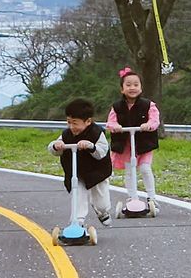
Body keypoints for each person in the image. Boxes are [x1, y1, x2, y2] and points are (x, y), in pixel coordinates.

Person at [49, 99, 113, 228]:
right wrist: (56, 146)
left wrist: (91, 147)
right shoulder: (66, 134)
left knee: (102, 203)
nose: (72, 127)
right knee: (78, 194)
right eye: (69, 122)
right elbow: (52, 148)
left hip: (97, 172)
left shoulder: (96, 133)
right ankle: (77, 222)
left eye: (75, 123)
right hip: (76, 171)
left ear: (88, 121)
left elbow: (102, 152)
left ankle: (102, 211)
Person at [106, 68, 161, 208]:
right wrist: (116, 126)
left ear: (141, 88)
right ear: (122, 89)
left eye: (136, 85)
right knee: (130, 170)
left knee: (145, 169)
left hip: (144, 144)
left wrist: (148, 125)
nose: (132, 88)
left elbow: (155, 120)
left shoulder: (148, 105)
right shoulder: (117, 107)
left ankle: (152, 197)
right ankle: (132, 197)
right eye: (128, 85)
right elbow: (110, 122)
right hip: (126, 145)